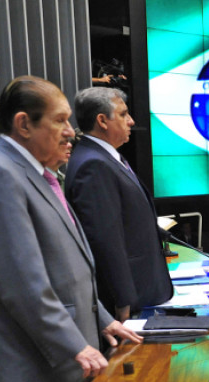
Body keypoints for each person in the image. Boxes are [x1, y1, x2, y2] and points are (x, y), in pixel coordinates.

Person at [0, 76, 141, 382]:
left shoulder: (35, 173)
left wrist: (103, 317)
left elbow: (68, 265)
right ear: (24, 124)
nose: (71, 133)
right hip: (38, 367)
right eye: (59, 121)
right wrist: (75, 344)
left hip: (63, 359)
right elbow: (21, 282)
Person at [65, 87, 173, 321]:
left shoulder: (105, 156)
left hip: (142, 290)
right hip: (128, 302)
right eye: (123, 114)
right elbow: (105, 239)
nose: (132, 121)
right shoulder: (92, 165)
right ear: (102, 120)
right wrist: (123, 300)